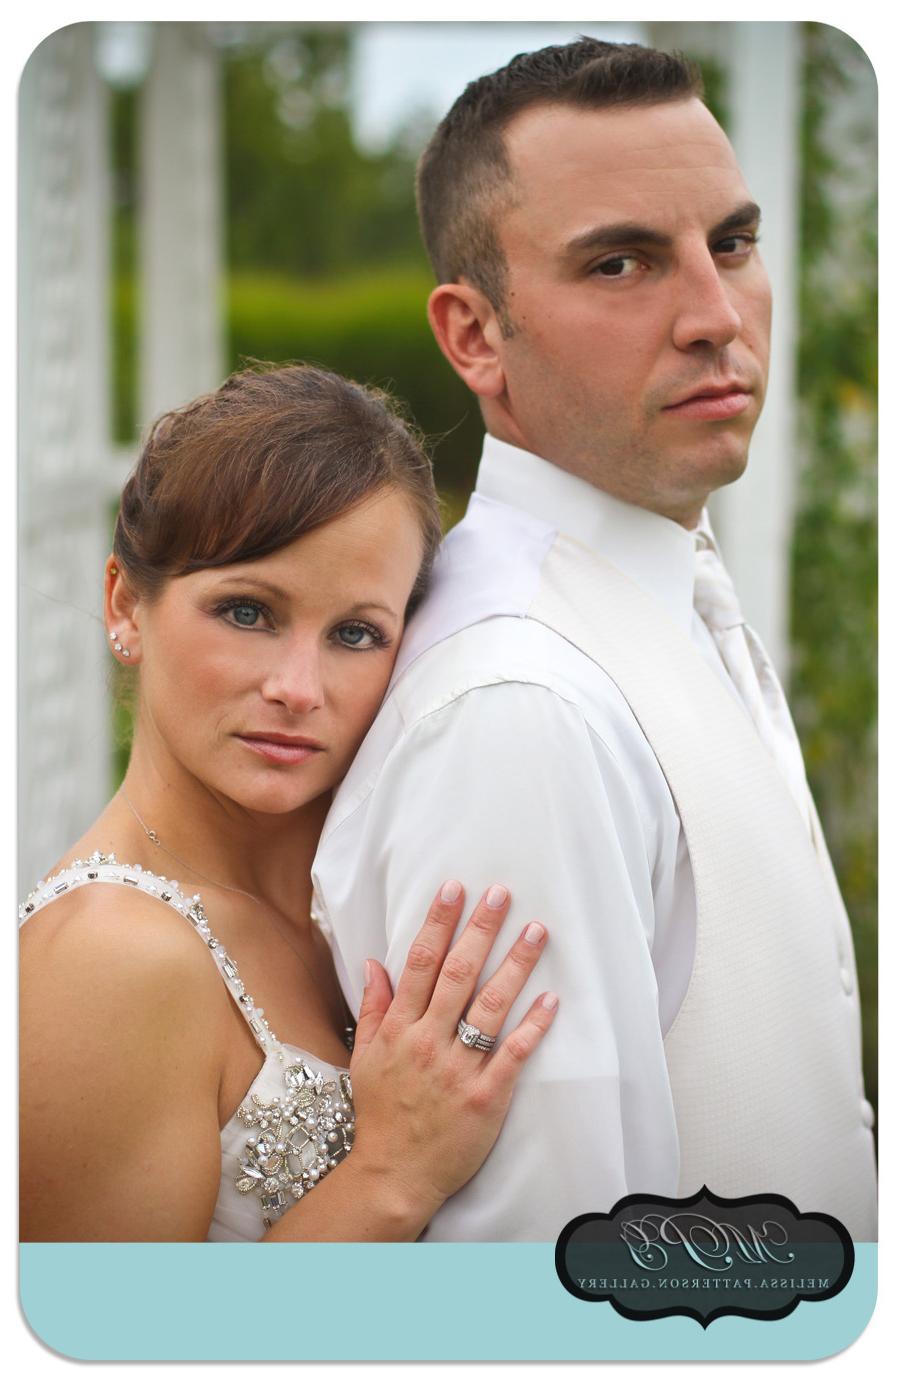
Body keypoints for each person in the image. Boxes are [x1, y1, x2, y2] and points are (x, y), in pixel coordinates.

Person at [312, 38, 877, 1241]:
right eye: (621, 263)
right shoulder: (519, 710)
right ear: (474, 337)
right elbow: (547, 1286)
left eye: (731, 243)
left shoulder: (661, 591)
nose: (717, 316)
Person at [18, 363, 559, 1243]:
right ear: (125, 605)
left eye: (355, 634)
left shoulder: (377, 873)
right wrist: (392, 1174)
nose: (299, 689)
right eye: (245, 612)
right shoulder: (106, 960)